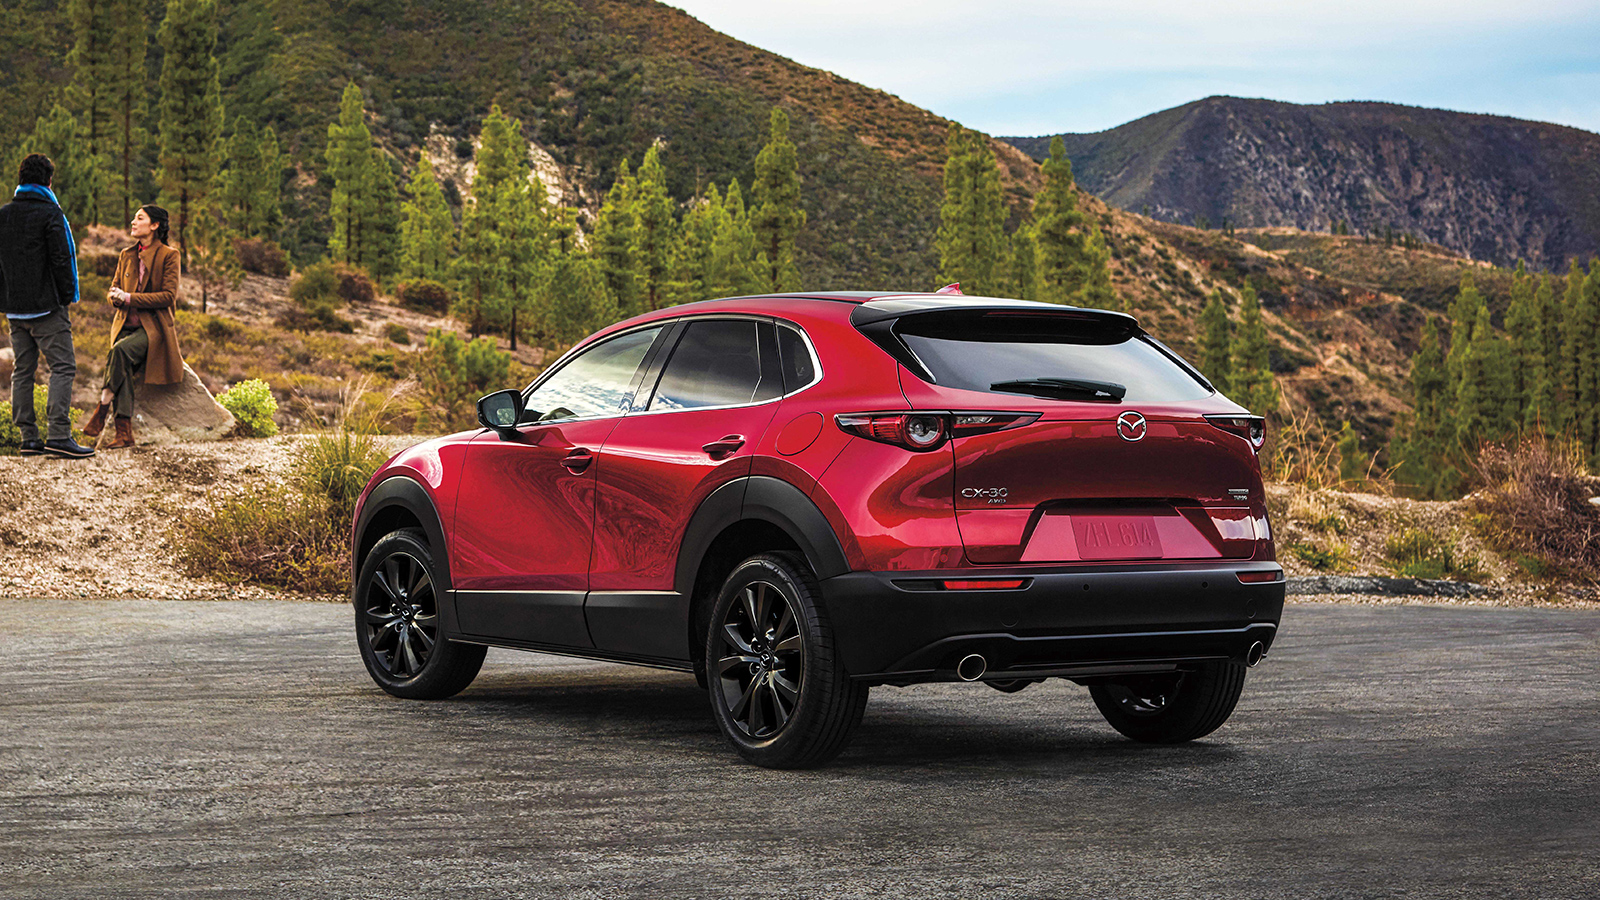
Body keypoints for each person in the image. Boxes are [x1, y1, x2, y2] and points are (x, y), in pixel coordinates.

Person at [0, 153, 95, 458]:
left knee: (22, 371)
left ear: (21, 179)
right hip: (46, 308)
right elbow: (61, 258)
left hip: (14, 308)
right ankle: (58, 434)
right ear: (49, 181)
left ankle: (28, 439)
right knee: (63, 367)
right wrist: (67, 296)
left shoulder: (3, 214)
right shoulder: (51, 214)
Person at [78, 204, 183, 449]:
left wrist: (128, 298)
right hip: (124, 325)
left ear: (155, 225)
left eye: (140, 218)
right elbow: (113, 289)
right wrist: (114, 296)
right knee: (121, 364)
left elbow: (167, 296)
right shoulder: (126, 254)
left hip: (154, 330)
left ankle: (102, 408)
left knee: (119, 352)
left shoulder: (169, 255)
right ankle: (124, 435)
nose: (133, 222)